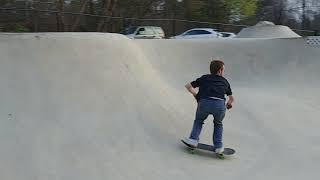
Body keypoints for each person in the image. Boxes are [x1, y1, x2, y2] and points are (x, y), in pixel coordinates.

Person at [183, 60, 234, 154]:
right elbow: (231, 98)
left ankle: (193, 140)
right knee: (218, 124)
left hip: (204, 103)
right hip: (219, 105)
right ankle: (218, 147)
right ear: (220, 71)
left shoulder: (204, 78)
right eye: (223, 70)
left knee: (198, 121)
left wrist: (196, 95)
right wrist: (229, 104)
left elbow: (188, 86)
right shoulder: (225, 81)